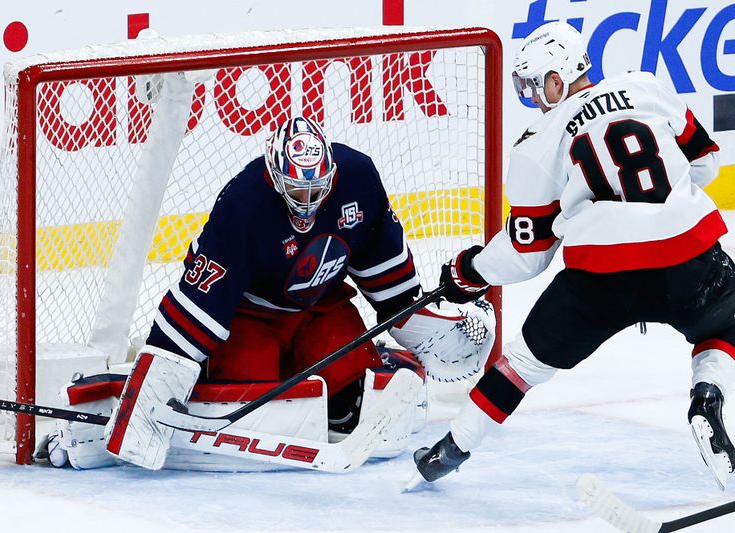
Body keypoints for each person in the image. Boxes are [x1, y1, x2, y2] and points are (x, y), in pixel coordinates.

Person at [413, 21, 735, 490]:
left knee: (521, 367)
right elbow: (705, 164)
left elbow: (529, 255)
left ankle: (448, 452)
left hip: (603, 277)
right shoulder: (645, 86)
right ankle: (707, 397)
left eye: (533, 85)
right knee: (725, 323)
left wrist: (470, 270)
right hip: (689, 254)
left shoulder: (537, 141)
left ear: (556, 79)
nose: (531, 96)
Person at [101, 116, 494, 470]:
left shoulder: (358, 178)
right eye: (295, 188)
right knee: (251, 400)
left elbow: (387, 275)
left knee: (349, 393)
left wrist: (422, 328)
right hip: (250, 316)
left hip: (321, 307)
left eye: (316, 189)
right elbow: (200, 307)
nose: (306, 201)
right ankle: (211, 369)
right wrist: (153, 394)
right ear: (274, 177)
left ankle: (307, 376)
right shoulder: (244, 205)